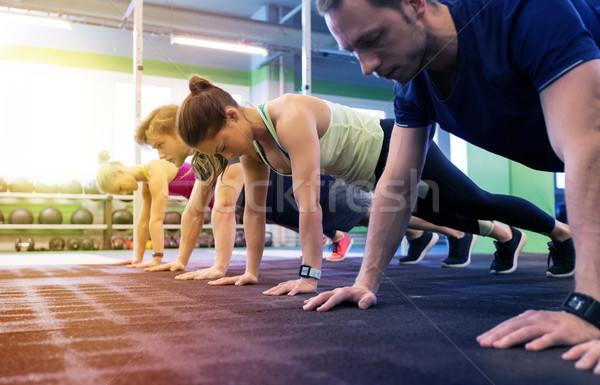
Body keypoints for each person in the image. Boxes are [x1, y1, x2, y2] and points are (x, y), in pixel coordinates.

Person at [310, 0, 600, 372]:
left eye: (374, 38)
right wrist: (366, 282)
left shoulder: (523, 11)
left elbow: (588, 148)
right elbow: (396, 186)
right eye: (354, 51)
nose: (367, 66)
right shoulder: (413, 86)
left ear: (415, 5)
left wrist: (589, 307)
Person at [176, 76, 573, 297]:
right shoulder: (252, 147)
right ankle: (506, 237)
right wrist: (250, 271)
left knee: (475, 201)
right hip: (371, 177)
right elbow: (253, 210)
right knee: (446, 214)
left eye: (223, 146)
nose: (227, 156)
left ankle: (561, 233)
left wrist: (309, 274)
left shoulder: (290, 115)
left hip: (394, 145)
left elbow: (309, 202)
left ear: (231, 116)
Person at [96, 151, 196, 268]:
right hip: (202, 195)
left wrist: (157, 258)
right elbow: (143, 221)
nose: (124, 192)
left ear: (119, 171)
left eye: (120, 188)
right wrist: (138, 258)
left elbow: (157, 218)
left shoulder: (154, 170)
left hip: (210, 186)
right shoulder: (147, 179)